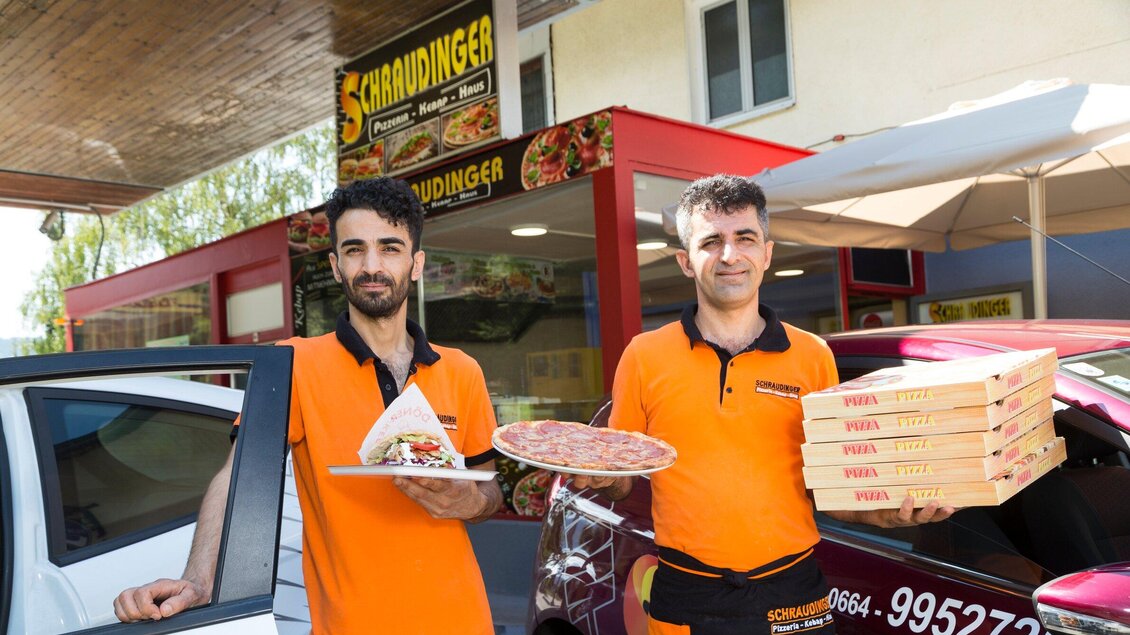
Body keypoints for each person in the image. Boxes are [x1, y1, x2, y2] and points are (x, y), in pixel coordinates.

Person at [113, 177, 503, 634]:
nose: (371, 266)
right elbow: (237, 475)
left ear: (416, 263)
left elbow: (490, 490)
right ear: (336, 265)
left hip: (463, 619)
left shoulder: (462, 371)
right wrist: (199, 580)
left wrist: (469, 502)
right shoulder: (293, 363)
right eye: (355, 250)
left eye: (390, 248)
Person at [573, 174, 955, 635]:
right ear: (685, 261)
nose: (729, 255)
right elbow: (622, 478)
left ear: (767, 254)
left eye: (745, 238)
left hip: (792, 591)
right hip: (685, 591)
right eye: (710, 241)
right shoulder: (643, 356)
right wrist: (601, 478)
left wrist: (887, 513)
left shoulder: (813, 356)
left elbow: (827, 489)